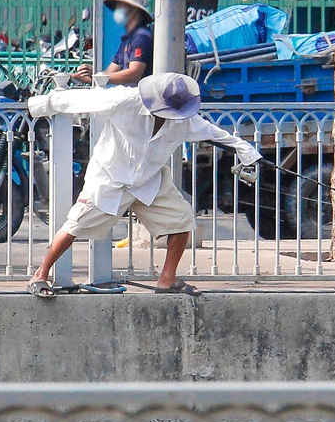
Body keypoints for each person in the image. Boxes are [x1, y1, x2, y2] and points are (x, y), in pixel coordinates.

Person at [25, 72, 262, 298]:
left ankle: (167, 279)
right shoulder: (124, 100)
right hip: (111, 177)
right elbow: (80, 99)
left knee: (182, 219)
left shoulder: (185, 118)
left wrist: (249, 153)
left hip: (149, 180)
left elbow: (217, 134)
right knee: (76, 223)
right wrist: (38, 105)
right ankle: (40, 275)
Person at [73, 0, 154, 86]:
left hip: (137, 97)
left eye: (122, 7)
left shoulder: (141, 38)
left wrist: (97, 76)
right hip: (125, 94)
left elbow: (134, 74)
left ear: (134, 11)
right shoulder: (128, 40)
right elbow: (110, 72)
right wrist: (76, 76)